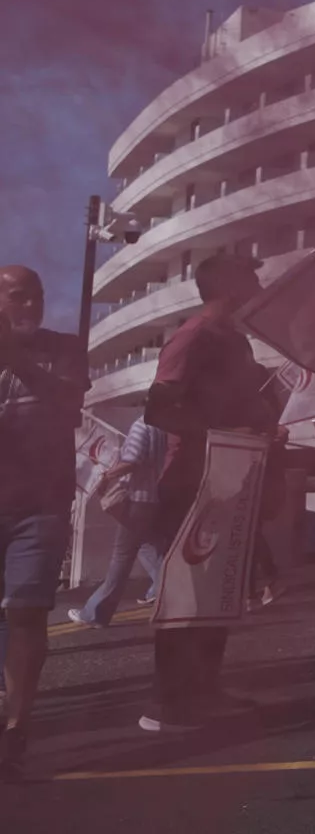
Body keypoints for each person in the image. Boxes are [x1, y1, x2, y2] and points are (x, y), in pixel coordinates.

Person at [139, 254, 277, 735]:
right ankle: (168, 701)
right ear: (230, 285)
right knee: (187, 591)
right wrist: (222, 433)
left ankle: (205, 689)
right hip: (190, 482)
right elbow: (157, 410)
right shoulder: (193, 336)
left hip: (230, 477)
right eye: (251, 276)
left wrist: (262, 420)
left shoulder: (236, 341)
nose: (259, 283)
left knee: (218, 588)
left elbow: (244, 403)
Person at [0, 265, 88, 778]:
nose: (30, 305)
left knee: (27, 614)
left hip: (40, 506)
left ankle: (17, 728)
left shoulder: (64, 349)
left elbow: (70, 400)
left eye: (35, 295)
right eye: (17, 296)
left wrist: (15, 358)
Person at [69, 413, 169, 628]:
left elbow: (131, 461)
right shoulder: (161, 428)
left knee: (121, 558)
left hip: (136, 499)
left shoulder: (142, 426)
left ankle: (95, 613)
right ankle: (172, 591)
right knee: (147, 546)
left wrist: (106, 476)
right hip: (152, 499)